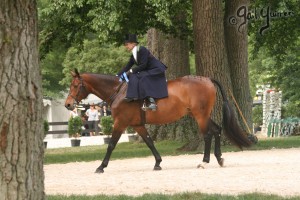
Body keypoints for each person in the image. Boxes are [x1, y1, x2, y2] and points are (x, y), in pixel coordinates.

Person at [117, 34, 168, 111]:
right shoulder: (133, 56)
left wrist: (131, 71)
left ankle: (152, 102)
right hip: (149, 70)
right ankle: (132, 95)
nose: (126, 46)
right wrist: (118, 75)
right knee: (133, 75)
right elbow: (127, 67)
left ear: (133, 43)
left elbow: (143, 65)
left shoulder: (142, 49)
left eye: (127, 44)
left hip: (156, 69)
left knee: (142, 77)